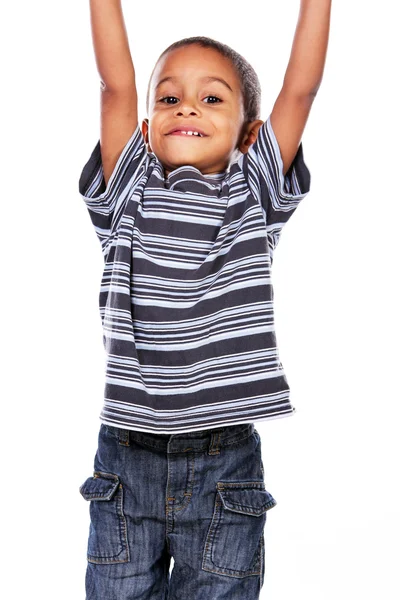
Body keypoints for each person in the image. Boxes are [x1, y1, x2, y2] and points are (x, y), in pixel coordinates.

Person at [78, 1, 332, 598]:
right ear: (145, 128)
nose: (186, 106)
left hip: (224, 461)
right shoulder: (127, 193)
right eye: (167, 98)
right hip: (126, 454)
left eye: (211, 98)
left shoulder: (254, 193)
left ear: (249, 133)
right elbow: (116, 83)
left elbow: (301, 90)